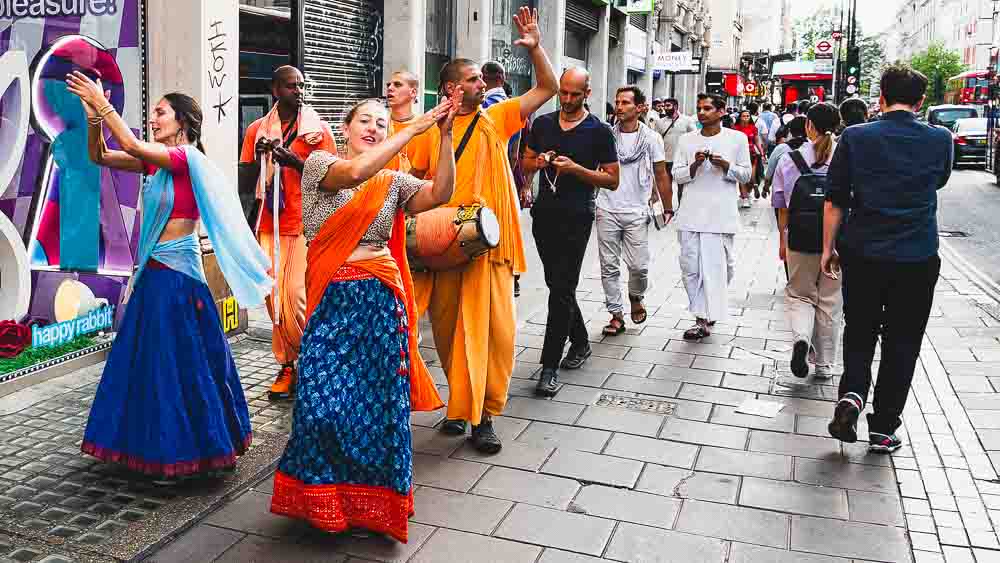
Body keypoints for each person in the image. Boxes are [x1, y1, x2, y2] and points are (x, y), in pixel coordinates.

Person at [269, 96, 458, 542]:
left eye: (381, 123)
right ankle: (321, 501)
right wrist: (410, 132)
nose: (374, 128)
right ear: (346, 128)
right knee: (319, 409)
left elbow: (440, 194)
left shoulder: (392, 181)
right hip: (331, 301)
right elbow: (355, 173)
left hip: (379, 302)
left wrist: (445, 136)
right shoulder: (320, 165)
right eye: (365, 121)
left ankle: (371, 507)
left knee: (378, 411)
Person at [67, 74, 273, 482]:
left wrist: (103, 105)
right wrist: (93, 117)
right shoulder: (160, 162)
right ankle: (145, 445)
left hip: (177, 277)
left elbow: (129, 144)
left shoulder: (184, 158)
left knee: (175, 364)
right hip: (155, 274)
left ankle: (185, 449)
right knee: (149, 362)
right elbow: (101, 156)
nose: (153, 118)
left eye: (160, 112)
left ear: (183, 121)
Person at [408, 7, 558, 453]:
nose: (483, 84)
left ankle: (485, 416)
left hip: (488, 247)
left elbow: (547, 88)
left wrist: (536, 49)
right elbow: (411, 185)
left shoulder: (497, 117)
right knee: (449, 332)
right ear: (451, 88)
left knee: (494, 334)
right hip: (445, 245)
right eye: (473, 79)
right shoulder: (428, 130)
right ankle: (461, 406)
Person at [823, 64, 953, 453]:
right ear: (921, 101)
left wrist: (828, 248)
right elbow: (939, 181)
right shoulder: (940, 139)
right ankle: (882, 427)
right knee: (902, 341)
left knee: (860, 330)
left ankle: (852, 395)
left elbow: (835, 199)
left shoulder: (855, 137)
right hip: (916, 256)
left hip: (863, 252)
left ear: (881, 97)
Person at [240, 66, 337, 401]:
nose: (299, 90)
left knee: (294, 295)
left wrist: (296, 162)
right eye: (291, 85)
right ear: (275, 89)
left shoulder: (318, 131)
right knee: (273, 298)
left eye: (302, 85)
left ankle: (308, 359)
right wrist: (261, 158)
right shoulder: (256, 130)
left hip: (304, 224)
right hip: (267, 224)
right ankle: (288, 365)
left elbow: (334, 179)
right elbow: (245, 181)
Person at [522, 68, 619, 396]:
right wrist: (540, 162)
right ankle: (580, 341)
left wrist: (577, 169)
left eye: (574, 94)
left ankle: (549, 366)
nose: (566, 99)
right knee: (558, 285)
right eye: (563, 92)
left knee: (561, 289)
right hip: (544, 214)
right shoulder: (543, 124)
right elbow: (525, 161)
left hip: (577, 216)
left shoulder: (599, 131)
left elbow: (612, 179)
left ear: (587, 94)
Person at [672, 93, 752, 340]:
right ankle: (701, 319)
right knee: (691, 268)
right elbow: (677, 174)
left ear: (721, 111)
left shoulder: (736, 139)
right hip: (691, 213)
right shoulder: (687, 140)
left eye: (707, 108)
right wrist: (695, 165)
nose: (702, 112)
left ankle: (710, 307)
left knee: (721, 268)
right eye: (699, 108)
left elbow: (746, 175)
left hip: (721, 215)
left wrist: (726, 165)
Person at [773, 103, 842, 379]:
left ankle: (802, 338)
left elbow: (782, 206)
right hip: (837, 239)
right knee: (830, 300)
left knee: (800, 294)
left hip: (800, 237)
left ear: (808, 126)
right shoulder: (846, 156)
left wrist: (783, 239)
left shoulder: (789, 159)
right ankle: (824, 365)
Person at [597, 85, 671, 338]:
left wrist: (667, 206)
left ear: (639, 108)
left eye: (625, 103)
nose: (619, 107)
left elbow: (661, 173)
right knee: (608, 265)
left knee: (639, 266)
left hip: (637, 210)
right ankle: (616, 314)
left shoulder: (651, 138)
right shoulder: (606, 135)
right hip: (606, 207)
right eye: (617, 102)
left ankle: (636, 296)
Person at [481, 60, 526, 298]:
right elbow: (515, 152)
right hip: (505, 173)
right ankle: (512, 275)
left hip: (485, 178)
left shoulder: (485, 106)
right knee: (507, 225)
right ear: (502, 77)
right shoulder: (509, 105)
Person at [385, 70, 434, 174]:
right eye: (388, 85)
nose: (390, 88)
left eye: (397, 85)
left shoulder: (426, 127)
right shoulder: (380, 125)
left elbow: (422, 171)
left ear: (413, 92)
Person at [653, 97, 698, 202]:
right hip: (666, 160)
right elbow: (656, 140)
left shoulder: (687, 120)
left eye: (668, 106)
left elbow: (694, 136)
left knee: (681, 186)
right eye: (664, 106)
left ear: (676, 106)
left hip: (681, 160)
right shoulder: (660, 122)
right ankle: (668, 208)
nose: (665, 108)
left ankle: (681, 206)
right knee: (666, 187)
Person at [764, 116, 807, 201]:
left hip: (783, 193)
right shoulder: (815, 147)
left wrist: (766, 187)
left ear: (790, 131)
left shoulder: (781, 148)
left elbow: (770, 170)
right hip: (807, 193)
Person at [732, 109, 764, 206]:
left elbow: (757, 141)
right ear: (740, 117)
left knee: (751, 177)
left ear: (750, 117)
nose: (746, 118)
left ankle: (751, 190)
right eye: (744, 116)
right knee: (742, 176)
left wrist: (762, 153)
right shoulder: (735, 128)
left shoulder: (753, 128)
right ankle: (745, 197)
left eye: (747, 116)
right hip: (739, 155)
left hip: (752, 154)